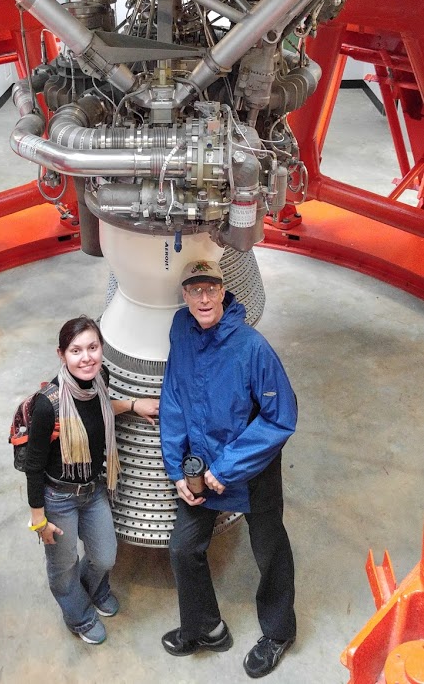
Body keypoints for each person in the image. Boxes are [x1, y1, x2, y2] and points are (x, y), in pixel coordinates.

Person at [159, 260, 297, 678]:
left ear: (223, 291)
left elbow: (280, 417)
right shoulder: (181, 331)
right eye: (194, 290)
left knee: (269, 550)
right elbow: (174, 398)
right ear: (184, 295)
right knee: (183, 547)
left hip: (251, 468)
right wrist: (177, 470)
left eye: (210, 289)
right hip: (201, 465)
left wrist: (229, 468)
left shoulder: (253, 347)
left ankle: (279, 633)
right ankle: (206, 628)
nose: (203, 298)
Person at [25, 315, 159, 645]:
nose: (86, 358)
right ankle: (79, 615)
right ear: (61, 355)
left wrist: (132, 404)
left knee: (105, 556)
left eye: (93, 347)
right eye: (76, 350)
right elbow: (33, 465)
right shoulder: (47, 405)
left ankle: (90, 590)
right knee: (63, 566)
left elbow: (97, 410)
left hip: (93, 489)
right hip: (58, 497)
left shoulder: (101, 379)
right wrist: (39, 520)